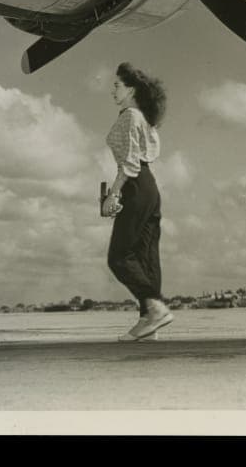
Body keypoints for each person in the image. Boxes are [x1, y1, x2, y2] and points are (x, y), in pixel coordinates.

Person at [102, 61, 173, 341]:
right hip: (148, 187)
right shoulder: (141, 117)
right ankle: (149, 324)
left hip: (136, 183)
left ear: (130, 89)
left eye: (117, 85)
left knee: (119, 256)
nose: (113, 90)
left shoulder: (130, 116)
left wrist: (114, 193)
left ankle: (153, 309)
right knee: (145, 257)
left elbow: (130, 163)